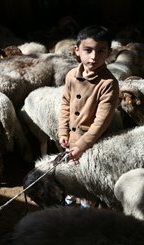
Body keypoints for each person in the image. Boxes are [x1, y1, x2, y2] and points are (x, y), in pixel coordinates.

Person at [58, 25, 120, 162]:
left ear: (109, 52)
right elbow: (65, 103)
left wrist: (82, 145)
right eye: (88, 50)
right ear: (77, 50)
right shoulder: (71, 75)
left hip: (94, 144)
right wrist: (63, 131)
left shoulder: (108, 83)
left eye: (100, 51)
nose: (93, 57)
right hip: (71, 140)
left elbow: (101, 122)